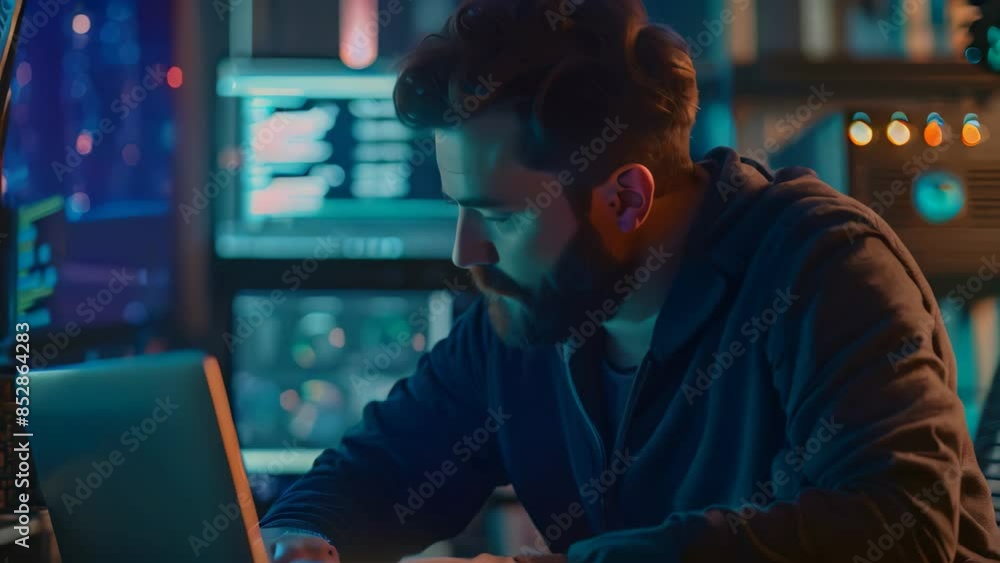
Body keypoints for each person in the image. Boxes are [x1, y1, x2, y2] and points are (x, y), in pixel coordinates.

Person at [258, 0, 1000, 561]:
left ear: (626, 198)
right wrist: (300, 535)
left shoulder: (822, 268)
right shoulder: (524, 316)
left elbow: (898, 524)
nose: (467, 251)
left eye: (501, 214)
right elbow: (381, 468)